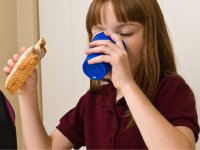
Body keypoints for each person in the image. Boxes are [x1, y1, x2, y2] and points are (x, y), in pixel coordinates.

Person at [3, 0, 200, 149]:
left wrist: (127, 85)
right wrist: (27, 95)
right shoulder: (93, 102)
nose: (109, 45)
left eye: (125, 34)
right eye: (99, 35)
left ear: (151, 37)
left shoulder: (172, 90)